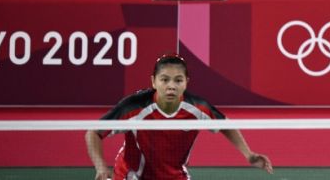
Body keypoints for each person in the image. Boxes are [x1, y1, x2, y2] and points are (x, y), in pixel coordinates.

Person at [85, 54, 273, 180]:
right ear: (153, 81)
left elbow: (225, 125)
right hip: (132, 175)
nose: (171, 86)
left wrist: (249, 154)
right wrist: (101, 166)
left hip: (175, 176)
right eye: (164, 80)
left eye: (178, 80)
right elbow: (93, 132)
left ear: (186, 83)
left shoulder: (197, 107)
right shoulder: (134, 106)